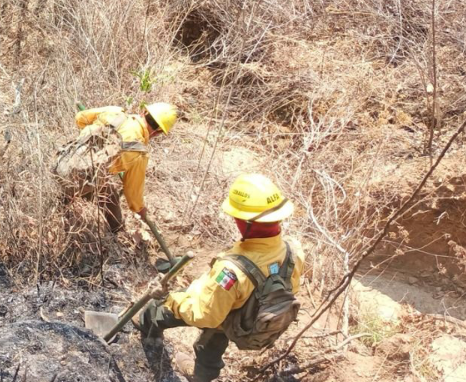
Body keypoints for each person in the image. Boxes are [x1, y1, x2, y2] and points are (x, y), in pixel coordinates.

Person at [138, 173, 306, 382]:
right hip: (245, 318)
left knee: (160, 309)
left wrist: (169, 299)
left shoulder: (231, 271)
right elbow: (292, 288)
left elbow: (205, 315)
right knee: (213, 343)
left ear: (245, 222)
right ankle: (201, 377)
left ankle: (148, 335)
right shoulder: (293, 251)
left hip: (222, 313)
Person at [70, 102, 177, 232]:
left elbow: (80, 118)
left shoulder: (114, 111)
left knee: (106, 190)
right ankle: (117, 231)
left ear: (143, 112)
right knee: (109, 196)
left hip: (64, 159)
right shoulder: (139, 153)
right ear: (157, 132)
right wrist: (140, 209)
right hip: (81, 180)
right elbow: (132, 193)